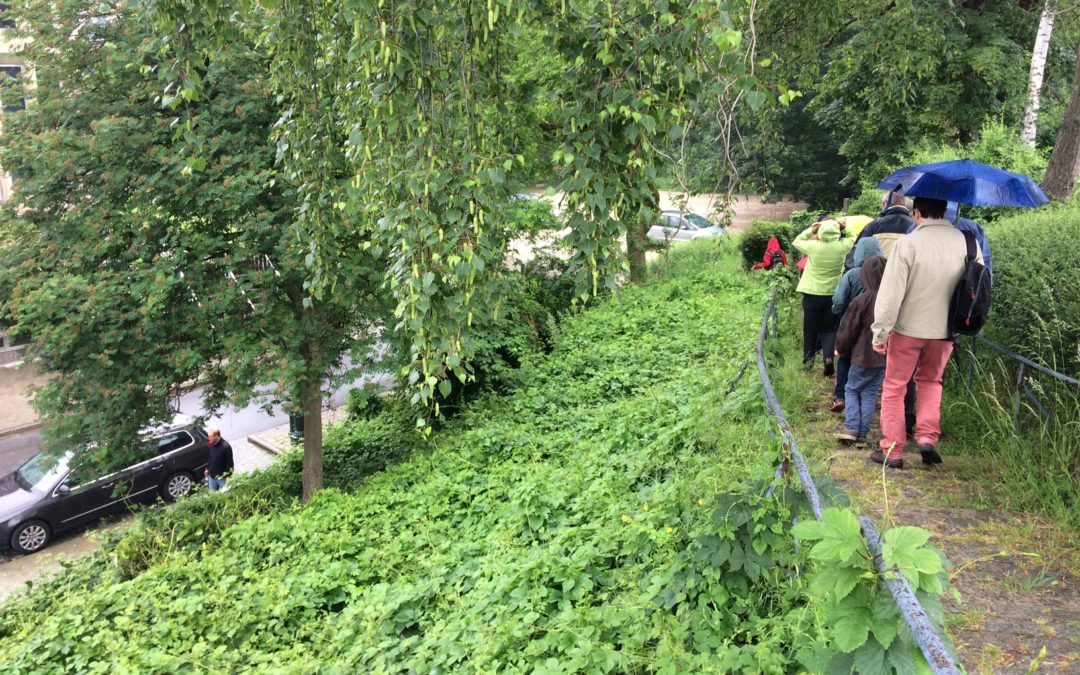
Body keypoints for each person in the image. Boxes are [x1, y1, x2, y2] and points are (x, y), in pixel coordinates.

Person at [871, 197, 983, 469]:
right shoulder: (969, 243)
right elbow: (977, 288)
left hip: (907, 329)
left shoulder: (908, 244)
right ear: (945, 211)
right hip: (945, 331)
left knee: (896, 386)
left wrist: (880, 333)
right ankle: (927, 439)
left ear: (917, 213)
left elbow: (890, 294)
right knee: (931, 383)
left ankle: (893, 451)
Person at [833, 255, 888, 445]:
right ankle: (863, 434)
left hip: (862, 355)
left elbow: (848, 328)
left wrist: (840, 348)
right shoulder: (892, 300)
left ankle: (851, 427)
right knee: (870, 392)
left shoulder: (861, 300)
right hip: (883, 357)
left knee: (851, 389)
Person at [793, 218, 855, 376]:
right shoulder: (842, 247)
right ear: (837, 231)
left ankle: (808, 363)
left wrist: (811, 230)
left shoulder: (813, 246)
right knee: (829, 329)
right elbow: (853, 237)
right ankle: (828, 358)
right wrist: (844, 228)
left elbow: (797, 241)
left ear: (820, 231)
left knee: (810, 329)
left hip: (812, 293)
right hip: (832, 294)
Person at [829, 236, 884, 412]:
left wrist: (839, 313)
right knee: (871, 361)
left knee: (844, 358)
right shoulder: (886, 274)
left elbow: (838, 301)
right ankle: (868, 397)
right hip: (877, 326)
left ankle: (841, 396)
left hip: (851, 323)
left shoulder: (852, 274)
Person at [846, 189, 915, 270]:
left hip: (878, 276)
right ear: (905, 204)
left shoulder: (874, 225)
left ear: (885, 203)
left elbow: (854, 257)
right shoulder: (915, 226)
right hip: (905, 276)